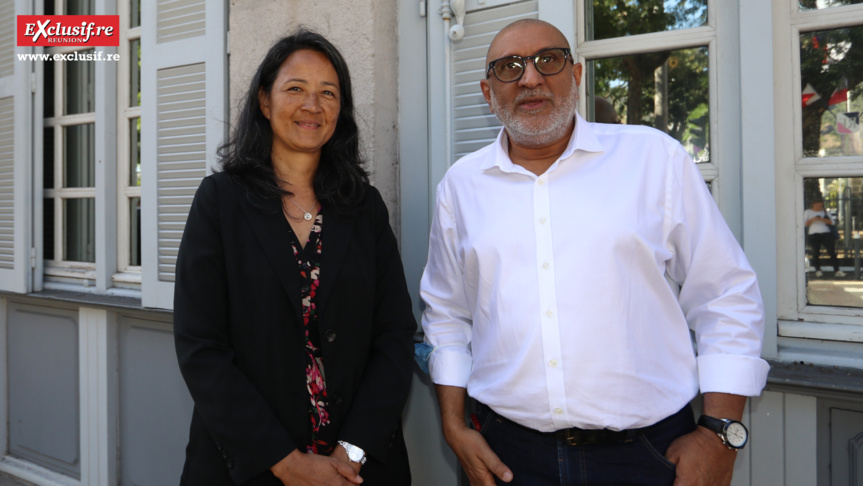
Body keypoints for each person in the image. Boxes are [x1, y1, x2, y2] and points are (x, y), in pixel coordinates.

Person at [420, 19, 769, 486]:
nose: (530, 78)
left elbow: (725, 295)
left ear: (577, 75)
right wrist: (453, 425)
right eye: (509, 67)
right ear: (488, 92)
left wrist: (720, 432)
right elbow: (445, 315)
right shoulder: (460, 187)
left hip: (647, 455)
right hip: (507, 456)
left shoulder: (654, 161)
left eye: (548, 59)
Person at [173, 28, 415, 486]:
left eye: (328, 92)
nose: (313, 105)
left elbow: (395, 336)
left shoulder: (365, 208)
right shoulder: (220, 202)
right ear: (265, 102)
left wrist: (353, 450)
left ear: (340, 110)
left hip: (358, 469)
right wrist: (287, 462)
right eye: (295, 89)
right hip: (249, 465)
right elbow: (200, 346)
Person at [804, 198, 845, 278]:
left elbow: (832, 222)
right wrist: (813, 219)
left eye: (820, 206)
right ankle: (818, 270)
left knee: (832, 252)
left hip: (826, 233)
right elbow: (805, 223)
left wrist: (822, 219)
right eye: (816, 206)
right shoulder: (808, 212)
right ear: (813, 205)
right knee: (815, 253)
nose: (818, 207)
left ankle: (837, 270)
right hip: (814, 234)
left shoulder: (825, 212)